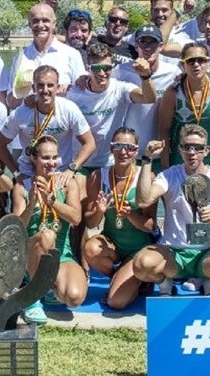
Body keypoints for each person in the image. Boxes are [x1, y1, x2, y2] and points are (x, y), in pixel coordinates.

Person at [132, 126, 210, 296]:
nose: (192, 152)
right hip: (174, 253)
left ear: (206, 151)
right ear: (180, 149)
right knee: (141, 264)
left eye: (198, 148)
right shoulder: (169, 175)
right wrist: (147, 159)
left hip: (207, 255)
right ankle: (166, 285)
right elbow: (143, 201)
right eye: (187, 147)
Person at [13, 136, 90, 323]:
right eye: (46, 158)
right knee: (46, 236)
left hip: (61, 253)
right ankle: (31, 296)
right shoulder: (22, 185)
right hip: (31, 250)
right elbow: (16, 228)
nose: (51, 163)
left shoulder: (67, 183)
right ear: (34, 159)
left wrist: (52, 201)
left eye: (55, 157)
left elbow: (76, 218)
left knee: (74, 297)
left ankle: (48, 287)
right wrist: (31, 205)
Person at [82, 128, 157, 310]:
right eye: (118, 146)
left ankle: (136, 276)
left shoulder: (147, 177)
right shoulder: (97, 176)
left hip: (138, 250)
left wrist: (130, 214)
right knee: (90, 249)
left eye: (129, 148)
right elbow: (90, 222)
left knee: (116, 302)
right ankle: (123, 276)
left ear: (136, 151)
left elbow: (150, 226)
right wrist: (99, 212)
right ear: (111, 149)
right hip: (112, 244)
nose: (123, 152)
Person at [0, 65, 95, 184]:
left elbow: (90, 143)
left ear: (57, 88)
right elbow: (0, 145)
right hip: (28, 175)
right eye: (40, 85)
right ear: (34, 87)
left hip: (60, 174)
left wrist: (71, 169)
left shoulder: (69, 109)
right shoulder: (20, 113)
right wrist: (16, 173)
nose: (45, 90)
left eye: (50, 85)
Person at [68, 42, 155, 174]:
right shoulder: (73, 93)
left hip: (109, 163)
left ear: (113, 68)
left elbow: (149, 98)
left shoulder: (120, 88)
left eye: (107, 68)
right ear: (88, 68)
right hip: (79, 162)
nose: (102, 73)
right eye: (97, 68)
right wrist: (30, 100)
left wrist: (145, 77)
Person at [157, 42, 210, 183]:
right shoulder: (173, 92)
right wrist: (165, 167)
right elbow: (163, 130)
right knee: (185, 198)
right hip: (185, 154)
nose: (196, 64)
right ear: (183, 65)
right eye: (190, 61)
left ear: (208, 62)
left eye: (201, 60)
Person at [0, 3, 86, 108]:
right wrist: (24, 99)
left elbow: (83, 95)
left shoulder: (71, 55)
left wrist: (68, 90)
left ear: (54, 24)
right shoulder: (20, 58)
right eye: (35, 21)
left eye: (45, 20)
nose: (40, 25)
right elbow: (11, 102)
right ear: (29, 24)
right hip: (29, 121)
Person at [113, 25, 179, 152]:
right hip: (129, 150)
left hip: (161, 149)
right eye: (143, 42)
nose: (148, 47)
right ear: (136, 46)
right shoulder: (121, 71)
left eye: (152, 42)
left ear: (160, 46)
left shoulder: (173, 72)